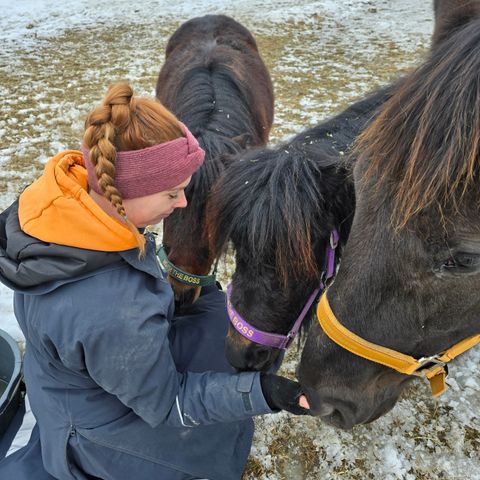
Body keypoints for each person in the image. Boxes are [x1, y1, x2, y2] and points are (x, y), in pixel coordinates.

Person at [0, 82, 309, 480]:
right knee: (224, 405)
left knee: (220, 316)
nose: (181, 203)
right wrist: (263, 393)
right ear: (125, 193)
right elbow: (169, 406)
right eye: (172, 193)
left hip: (70, 385)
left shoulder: (70, 215)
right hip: (97, 434)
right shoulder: (110, 309)